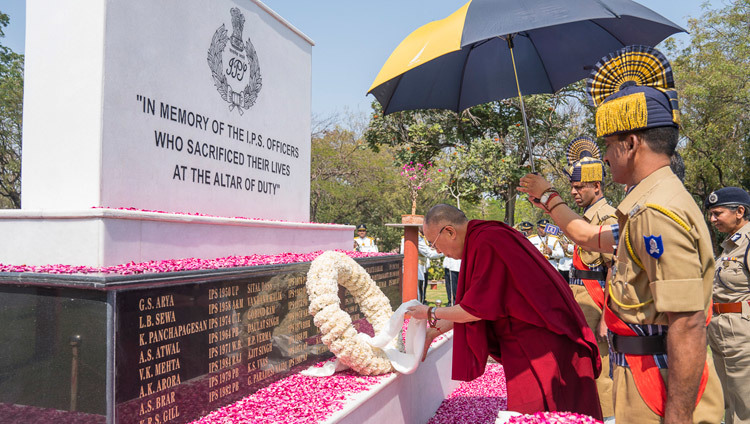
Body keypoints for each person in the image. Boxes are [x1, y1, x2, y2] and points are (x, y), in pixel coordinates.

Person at [518, 45, 723, 424]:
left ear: (631, 143)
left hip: (658, 383)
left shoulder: (657, 212)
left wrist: (676, 417)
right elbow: (590, 237)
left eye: (610, 146)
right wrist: (548, 199)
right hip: (643, 372)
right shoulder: (647, 206)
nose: (606, 158)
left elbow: (689, 323)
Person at [407, 204, 603, 419]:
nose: (437, 251)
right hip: (527, 338)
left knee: (542, 412)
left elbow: (473, 310)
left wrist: (430, 311)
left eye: (434, 243)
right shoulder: (483, 238)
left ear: (450, 232)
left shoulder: (488, 241)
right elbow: (481, 305)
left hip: (544, 341)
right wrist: (432, 332)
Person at [563, 135, 618, 421]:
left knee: (600, 365)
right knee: (581, 363)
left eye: (578, 187)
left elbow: (615, 269)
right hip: (579, 298)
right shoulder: (584, 217)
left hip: (597, 302)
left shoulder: (608, 218)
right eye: (572, 187)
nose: (573, 192)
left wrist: (608, 317)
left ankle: (607, 418)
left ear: (596, 186)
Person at [704, 187, 750, 424]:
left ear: (739, 211)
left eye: (717, 213)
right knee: (728, 404)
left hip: (742, 336)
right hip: (721, 332)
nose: (712, 219)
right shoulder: (730, 246)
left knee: (746, 405)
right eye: (711, 214)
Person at [400, 232, 442, 303]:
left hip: (419, 268)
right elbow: (430, 254)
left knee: (418, 293)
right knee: (415, 295)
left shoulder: (420, 237)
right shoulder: (417, 237)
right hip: (415, 269)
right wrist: (445, 252)